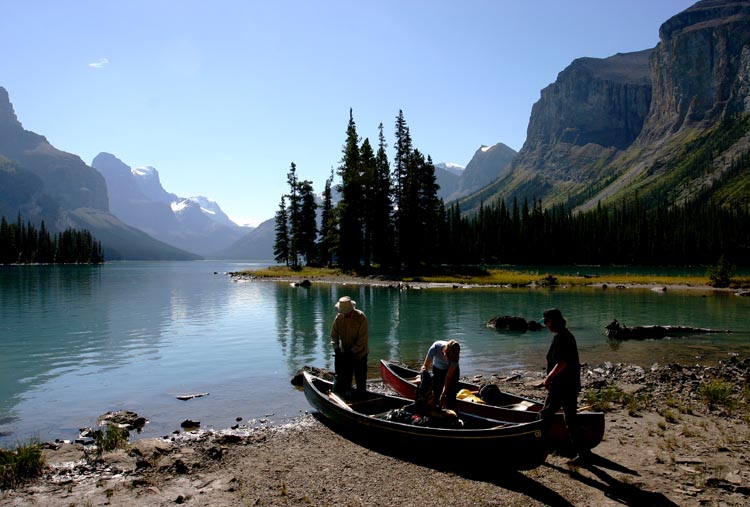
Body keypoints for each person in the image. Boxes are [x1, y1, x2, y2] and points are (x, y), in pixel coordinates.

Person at [539, 308, 593, 465]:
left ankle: (537, 448)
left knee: (544, 417)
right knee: (571, 420)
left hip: (561, 385)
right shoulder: (564, 335)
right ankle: (584, 453)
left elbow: (563, 362)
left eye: (546, 321)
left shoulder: (563, 337)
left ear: (551, 321)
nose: (545, 325)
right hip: (570, 384)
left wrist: (548, 378)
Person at [330, 296, 369, 397]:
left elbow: (362, 339)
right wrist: (336, 348)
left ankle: (362, 398)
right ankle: (346, 396)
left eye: (345, 312)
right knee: (346, 379)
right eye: (342, 312)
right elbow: (334, 335)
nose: (344, 313)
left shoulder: (361, 317)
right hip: (345, 353)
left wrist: (352, 351)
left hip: (360, 354)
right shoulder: (338, 318)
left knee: (360, 380)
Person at [420, 339, 460, 410]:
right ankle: (436, 406)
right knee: (437, 390)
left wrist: (443, 394)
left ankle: (451, 409)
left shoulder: (455, 356)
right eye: (448, 358)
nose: (449, 360)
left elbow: (448, 377)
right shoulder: (435, 348)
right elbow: (425, 365)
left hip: (452, 371)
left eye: (451, 359)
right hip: (438, 369)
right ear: (444, 351)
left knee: (451, 392)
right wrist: (423, 371)